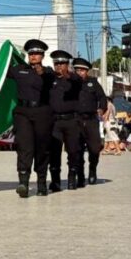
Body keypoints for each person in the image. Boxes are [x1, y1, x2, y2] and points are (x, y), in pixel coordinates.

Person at [6, 39, 55, 198]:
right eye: (31, 53)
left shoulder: (48, 72)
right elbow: (2, 73)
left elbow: (50, 81)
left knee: (42, 148)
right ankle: (23, 183)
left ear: (43, 56)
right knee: (24, 147)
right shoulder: (19, 70)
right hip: (23, 113)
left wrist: (41, 73)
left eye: (37, 53)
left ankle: (41, 183)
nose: (34, 56)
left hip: (42, 113)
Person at [48, 50, 82, 192]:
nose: (59, 66)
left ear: (67, 65)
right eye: (56, 63)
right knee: (54, 152)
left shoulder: (74, 79)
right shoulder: (49, 79)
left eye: (62, 63)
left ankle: (72, 176)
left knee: (73, 151)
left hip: (71, 121)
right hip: (55, 122)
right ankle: (55, 180)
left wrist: (67, 75)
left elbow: (78, 81)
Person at [72, 58, 107, 185]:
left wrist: (102, 108)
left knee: (94, 149)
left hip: (91, 119)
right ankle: (80, 175)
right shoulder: (70, 83)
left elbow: (102, 98)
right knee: (77, 149)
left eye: (82, 70)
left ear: (87, 71)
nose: (79, 73)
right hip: (76, 120)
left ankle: (92, 169)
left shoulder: (93, 83)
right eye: (77, 70)